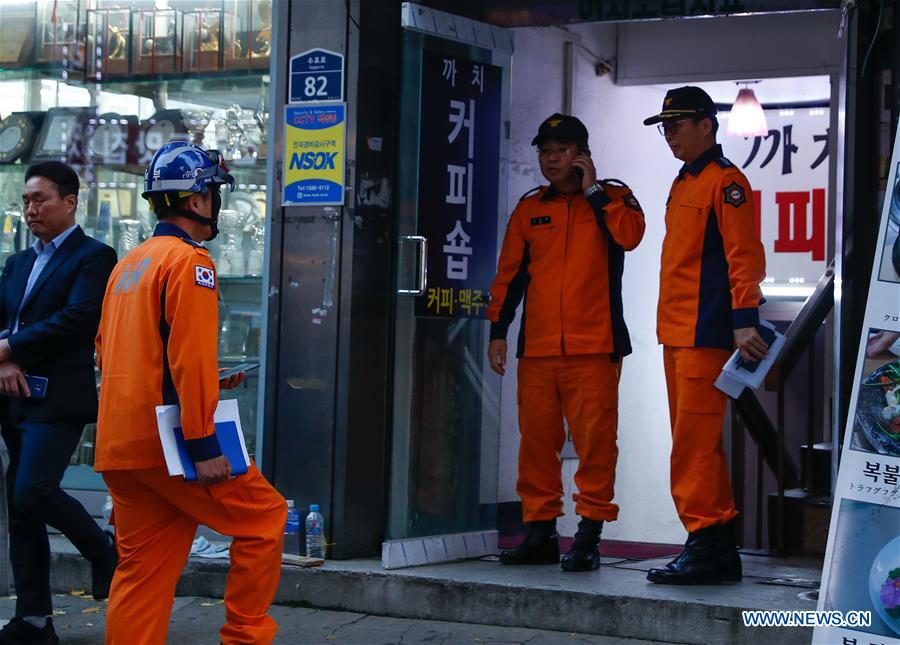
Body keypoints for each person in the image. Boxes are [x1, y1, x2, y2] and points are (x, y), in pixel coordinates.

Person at [94, 141, 287, 644]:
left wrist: (206, 381)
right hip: (172, 446)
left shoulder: (128, 266)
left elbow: (114, 354)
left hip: (120, 447)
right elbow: (189, 357)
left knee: (142, 573)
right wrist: (203, 444)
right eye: (214, 193)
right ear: (198, 199)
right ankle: (245, 637)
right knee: (266, 518)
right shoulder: (190, 263)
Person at [487, 114, 645, 572]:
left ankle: (588, 537)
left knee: (596, 444)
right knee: (536, 444)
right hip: (537, 349)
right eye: (545, 151)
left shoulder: (614, 198)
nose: (551, 159)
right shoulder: (529, 208)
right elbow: (509, 276)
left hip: (595, 346)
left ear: (582, 154)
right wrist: (498, 331)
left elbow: (630, 237)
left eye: (561, 151)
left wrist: (593, 190)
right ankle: (540, 532)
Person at [642, 86, 768, 585]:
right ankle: (711, 546)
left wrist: (744, 319)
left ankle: (709, 541)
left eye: (676, 125)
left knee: (693, 444)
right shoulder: (684, 181)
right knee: (690, 441)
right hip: (677, 331)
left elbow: (743, 255)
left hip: (705, 329)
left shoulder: (726, 181)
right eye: (665, 128)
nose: (669, 135)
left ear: (706, 125)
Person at [0, 161, 118, 645]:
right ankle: (33, 621)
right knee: (21, 509)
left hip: (59, 398)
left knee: (33, 491)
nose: (31, 209)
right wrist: (5, 360)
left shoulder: (95, 257)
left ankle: (102, 550)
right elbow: (5, 319)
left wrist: (10, 348)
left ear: (70, 202)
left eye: (40, 199)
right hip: (13, 397)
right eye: (26, 200)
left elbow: (78, 319)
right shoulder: (17, 262)